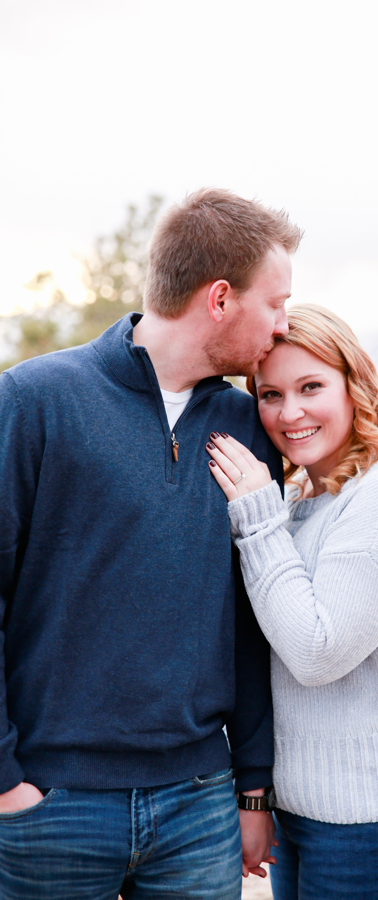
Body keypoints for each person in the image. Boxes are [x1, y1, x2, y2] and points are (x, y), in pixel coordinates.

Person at [0, 188, 302, 899]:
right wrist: (7, 786)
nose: (284, 327)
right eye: (277, 303)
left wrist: (253, 787)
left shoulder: (244, 423)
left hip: (196, 805)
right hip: (52, 804)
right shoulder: (37, 401)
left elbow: (251, 618)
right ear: (220, 298)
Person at [206, 304, 378, 900]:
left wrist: (254, 519)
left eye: (311, 387)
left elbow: (315, 652)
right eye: (270, 393)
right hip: (310, 813)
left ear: (355, 385)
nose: (290, 412)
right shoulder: (308, 492)